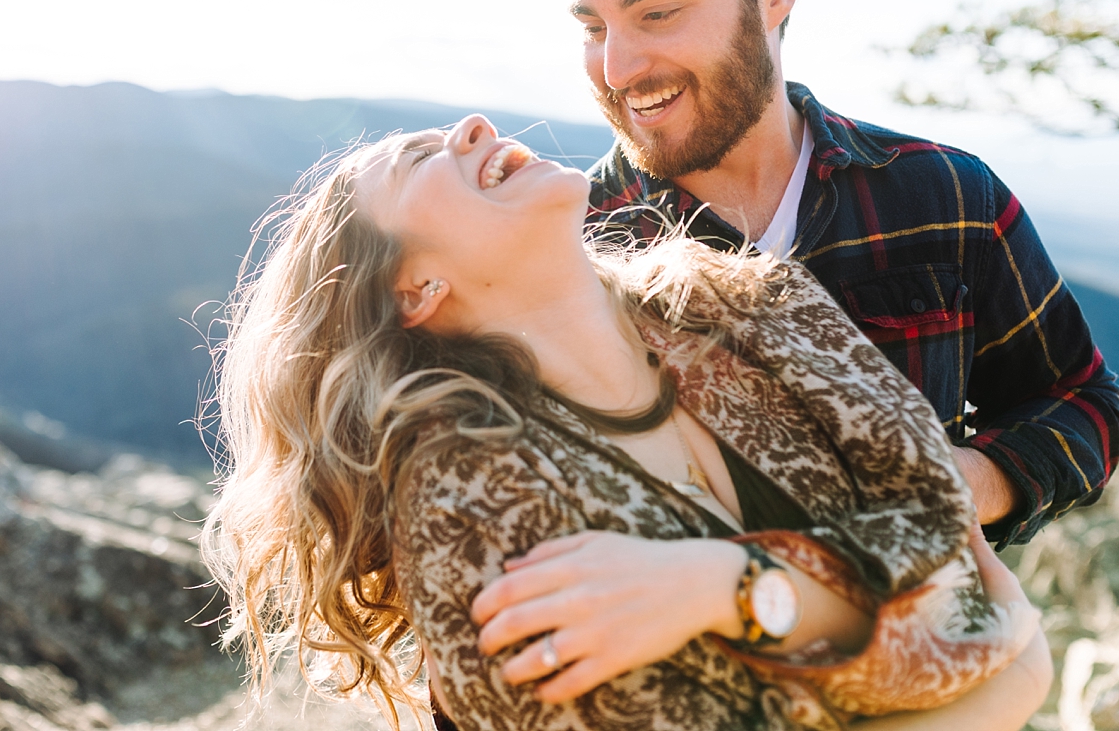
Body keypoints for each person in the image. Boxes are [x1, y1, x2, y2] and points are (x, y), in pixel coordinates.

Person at [203, 115, 1051, 731]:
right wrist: (994, 683)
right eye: (417, 161)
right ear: (416, 290)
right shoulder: (466, 496)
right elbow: (982, 628)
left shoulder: (760, 303)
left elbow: (944, 537)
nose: (469, 127)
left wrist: (728, 588)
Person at [568, 0, 1119, 546]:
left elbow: (1080, 399)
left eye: (658, 12)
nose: (618, 69)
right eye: (594, 27)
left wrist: (961, 485)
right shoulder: (569, 243)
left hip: (928, 651)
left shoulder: (946, 197)